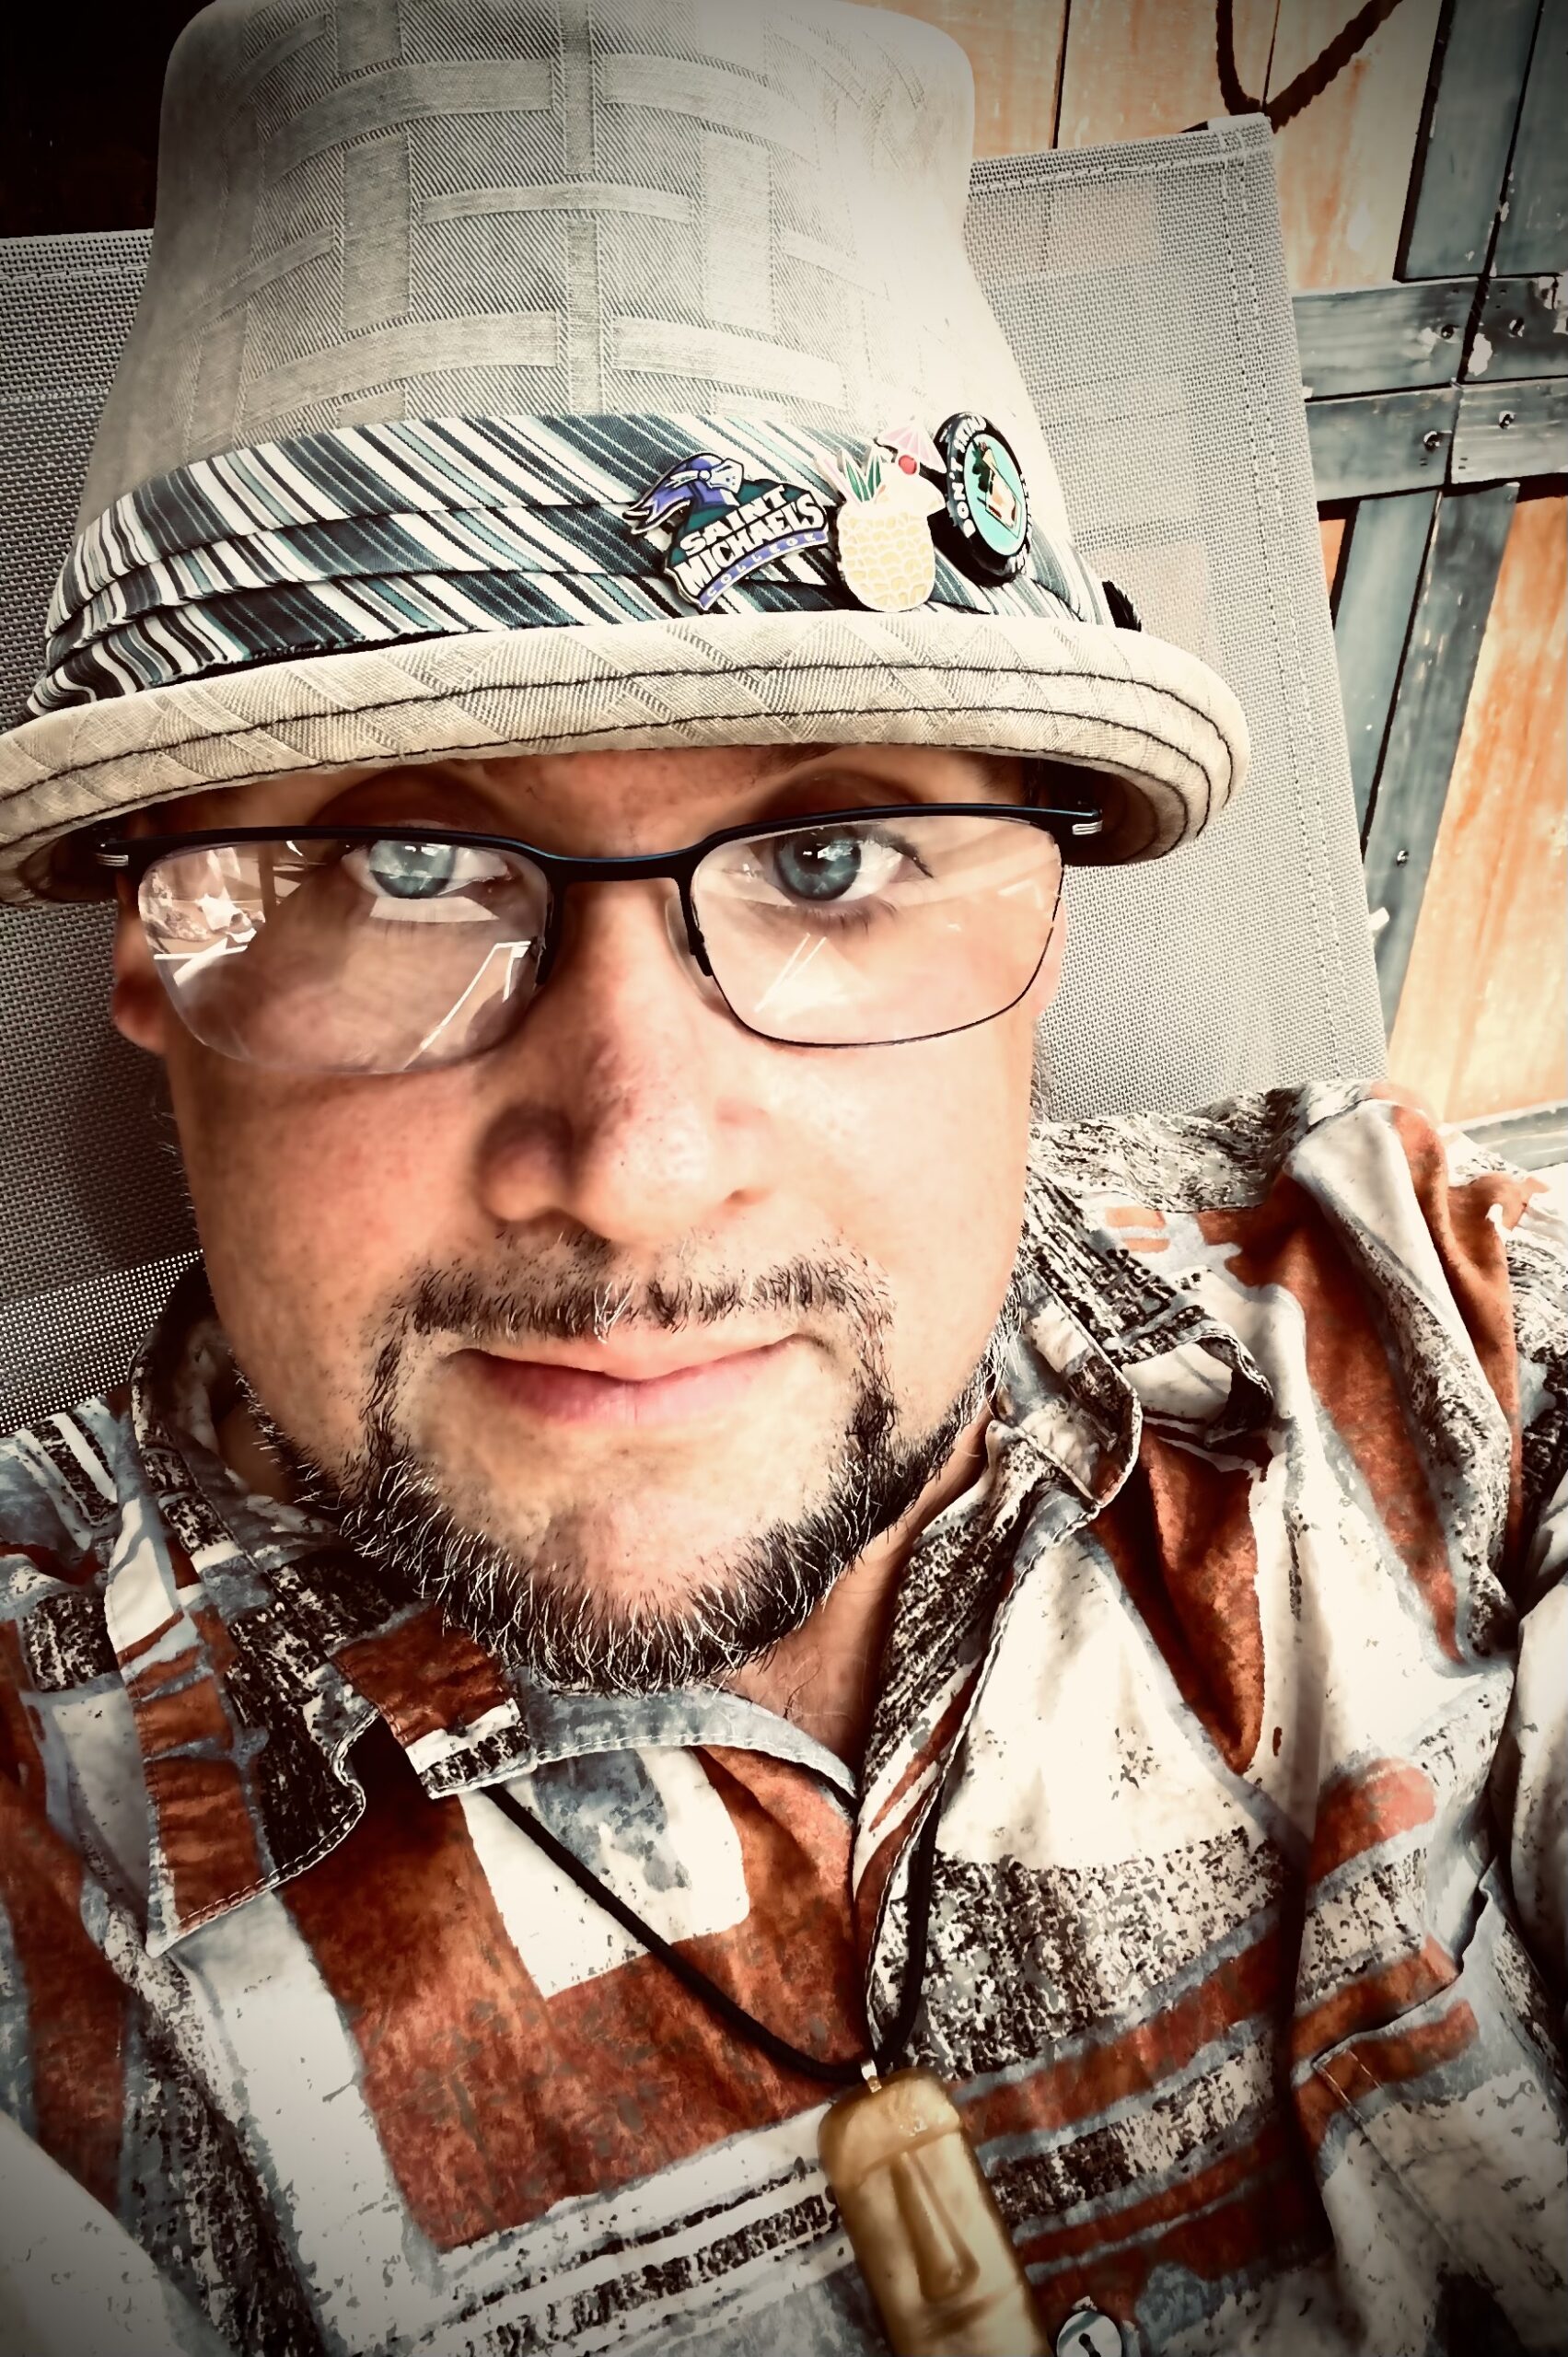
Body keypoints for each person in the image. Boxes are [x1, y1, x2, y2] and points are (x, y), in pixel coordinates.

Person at [0, 4, 1562, 2354]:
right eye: (407, 859)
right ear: (155, 946)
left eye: (829, 853)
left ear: (1051, 915)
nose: (638, 1166)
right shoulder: (48, 1861)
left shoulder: (1432, 1326)